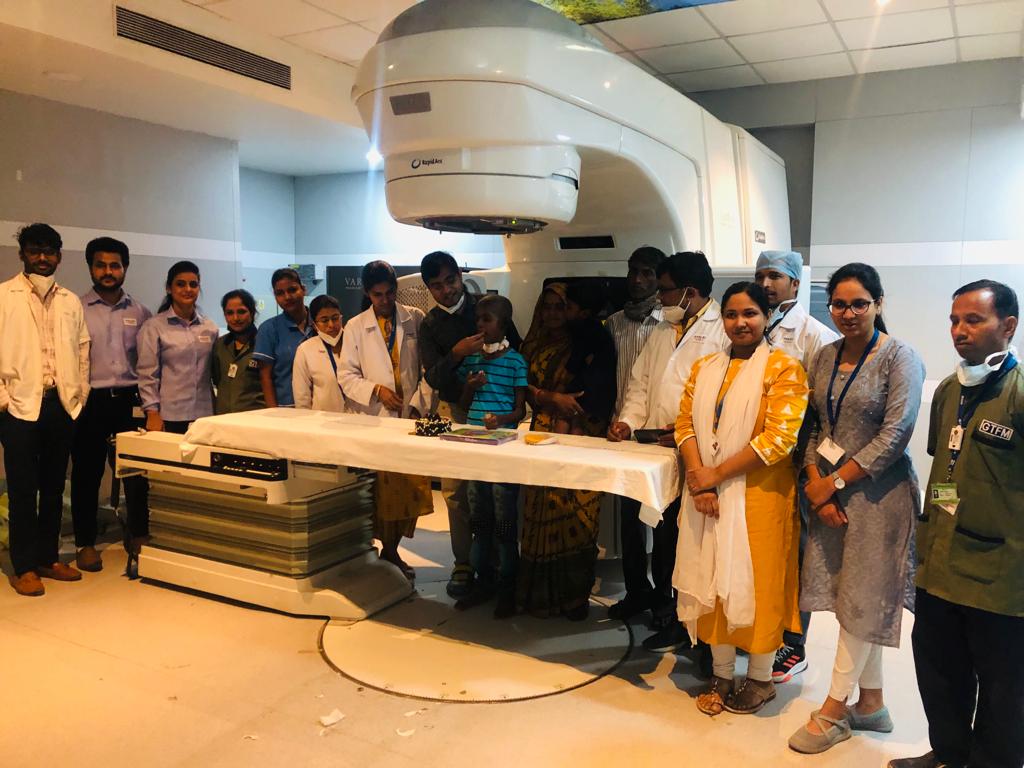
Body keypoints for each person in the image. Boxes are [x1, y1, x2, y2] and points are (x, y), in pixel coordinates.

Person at [789, 262, 925, 754]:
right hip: (829, 493)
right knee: (852, 597)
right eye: (840, 304)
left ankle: (834, 708)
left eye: (859, 304)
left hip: (880, 498)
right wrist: (816, 483)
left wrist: (834, 483)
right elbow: (814, 427)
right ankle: (871, 704)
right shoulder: (824, 356)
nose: (848, 313)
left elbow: (895, 435)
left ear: (878, 304)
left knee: (863, 599)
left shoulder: (900, 358)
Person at [889, 281, 1024, 768]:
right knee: (938, 669)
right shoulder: (950, 392)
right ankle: (949, 754)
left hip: (999, 578)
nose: (959, 330)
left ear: (1008, 326)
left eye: (973, 320)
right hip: (942, 566)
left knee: (1003, 687)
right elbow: (948, 469)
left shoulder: (1018, 395)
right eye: (954, 320)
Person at [674, 281, 808, 717]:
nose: (740, 322)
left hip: (761, 496)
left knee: (759, 584)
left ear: (766, 317)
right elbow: (684, 426)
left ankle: (762, 679)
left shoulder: (785, 369)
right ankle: (722, 674)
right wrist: (701, 482)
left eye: (750, 313)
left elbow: (778, 440)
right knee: (712, 577)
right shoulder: (705, 367)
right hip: (707, 496)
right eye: (731, 314)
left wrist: (713, 476)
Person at [608, 251, 729, 654]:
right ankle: (639, 594)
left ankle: (670, 609)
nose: (659, 297)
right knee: (633, 520)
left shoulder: (720, 332)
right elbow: (640, 382)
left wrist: (683, 434)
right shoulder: (663, 329)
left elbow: (719, 400)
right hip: (647, 446)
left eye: (664, 290)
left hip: (690, 452)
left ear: (689, 292)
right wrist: (627, 421)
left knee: (671, 535)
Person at [754, 249, 840, 684]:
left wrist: (814, 469)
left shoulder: (815, 335)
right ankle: (762, 630)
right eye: (760, 276)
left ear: (795, 283)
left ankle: (795, 641)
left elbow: (823, 411)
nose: (766, 284)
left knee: (799, 551)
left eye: (775, 276)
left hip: (796, 459)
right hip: (755, 459)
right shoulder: (751, 327)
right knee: (764, 548)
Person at [417, 250, 522, 599]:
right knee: (457, 491)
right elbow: (433, 378)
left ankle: (502, 565)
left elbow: (518, 351)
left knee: (498, 490)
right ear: (428, 289)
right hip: (457, 412)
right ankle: (464, 563)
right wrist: (457, 353)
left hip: (498, 412)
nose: (446, 290)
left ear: (461, 276)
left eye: (451, 280)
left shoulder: (486, 306)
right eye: (437, 286)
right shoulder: (430, 324)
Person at [0, 224, 91, 596]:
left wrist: (79, 393)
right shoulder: (4, 296)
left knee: (54, 487)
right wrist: (3, 400)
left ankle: (48, 558)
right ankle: (23, 566)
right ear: (22, 253)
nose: (42, 257)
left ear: (59, 256)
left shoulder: (70, 300)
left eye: (49, 250)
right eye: (35, 250)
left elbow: (83, 348)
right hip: (19, 408)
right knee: (22, 489)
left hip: (60, 405)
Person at [517, 282, 616, 620]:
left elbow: (603, 385)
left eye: (561, 306)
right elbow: (519, 385)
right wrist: (548, 397)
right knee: (541, 509)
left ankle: (575, 598)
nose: (553, 313)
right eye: (547, 307)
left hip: (584, 432)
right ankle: (538, 596)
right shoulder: (532, 344)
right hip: (542, 434)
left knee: (579, 514)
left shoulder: (587, 339)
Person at [339, 260, 433, 579]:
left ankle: (392, 550)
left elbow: (427, 370)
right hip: (373, 421)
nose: (385, 300)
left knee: (406, 490)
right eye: (377, 295)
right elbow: (346, 376)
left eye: (390, 292)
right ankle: (374, 551)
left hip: (408, 418)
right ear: (367, 293)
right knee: (377, 491)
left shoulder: (414, 318)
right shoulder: (356, 326)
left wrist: (418, 404)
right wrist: (377, 390)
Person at [70, 237, 152, 573]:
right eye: (101, 265)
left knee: (135, 473)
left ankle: (139, 534)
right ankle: (85, 543)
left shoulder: (140, 312)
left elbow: (148, 362)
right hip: (90, 402)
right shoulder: (75, 309)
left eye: (114, 265)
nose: (108, 271)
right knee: (86, 474)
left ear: (125, 268)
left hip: (130, 402)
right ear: (90, 268)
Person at [455, 294, 528, 618]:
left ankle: (507, 587)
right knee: (479, 518)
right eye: (478, 319)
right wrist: (470, 386)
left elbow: (520, 410)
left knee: (504, 521)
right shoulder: (473, 359)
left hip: (503, 451)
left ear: (504, 323)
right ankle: (482, 581)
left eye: (487, 319)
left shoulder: (515, 362)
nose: (481, 325)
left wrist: (500, 420)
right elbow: (463, 402)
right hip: (474, 448)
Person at [137, 261, 219, 437]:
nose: (188, 289)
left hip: (205, 415)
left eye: (193, 284)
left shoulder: (210, 328)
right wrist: (152, 412)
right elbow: (147, 374)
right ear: (169, 288)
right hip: (169, 416)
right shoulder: (154, 327)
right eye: (180, 284)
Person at [253, 268, 314, 408]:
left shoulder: (321, 324)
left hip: (323, 407)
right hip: (287, 410)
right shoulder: (269, 329)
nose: (287, 297)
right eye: (280, 293)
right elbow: (265, 377)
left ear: (303, 289)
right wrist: (274, 413)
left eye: (292, 290)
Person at [211, 289, 264, 415]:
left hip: (255, 418)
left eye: (241, 312)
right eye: (229, 313)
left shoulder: (264, 344)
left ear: (252, 312)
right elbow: (217, 379)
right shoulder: (219, 345)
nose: (235, 318)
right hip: (223, 418)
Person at [292, 294, 345, 412]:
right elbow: (302, 398)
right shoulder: (305, 350)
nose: (331, 325)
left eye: (335, 318)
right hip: (323, 419)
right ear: (315, 325)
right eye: (324, 320)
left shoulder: (355, 342)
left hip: (359, 418)